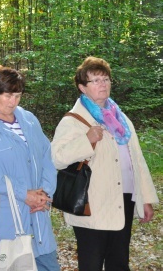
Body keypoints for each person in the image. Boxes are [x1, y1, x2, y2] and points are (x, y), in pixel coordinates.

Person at [51, 56, 158, 271]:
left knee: (118, 262)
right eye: (96, 80)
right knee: (91, 263)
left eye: (106, 79)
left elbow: (136, 160)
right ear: (82, 87)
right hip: (93, 204)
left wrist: (145, 198)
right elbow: (57, 158)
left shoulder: (120, 118)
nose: (103, 84)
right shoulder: (72, 120)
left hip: (124, 198)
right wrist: (86, 140)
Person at [0, 66, 59, 270]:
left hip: (37, 212)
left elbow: (46, 156)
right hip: (5, 215)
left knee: (48, 263)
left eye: (17, 96)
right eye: (8, 96)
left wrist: (44, 193)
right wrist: (24, 194)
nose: (13, 102)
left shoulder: (28, 119)